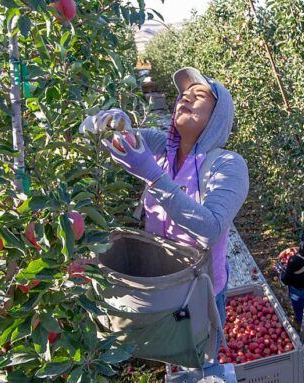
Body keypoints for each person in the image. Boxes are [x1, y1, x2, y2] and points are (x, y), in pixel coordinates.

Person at [80, 67, 249, 374]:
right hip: (159, 284)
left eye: (199, 95)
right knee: (168, 357)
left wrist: (154, 177)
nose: (185, 98)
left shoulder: (228, 164)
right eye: (183, 94)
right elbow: (103, 136)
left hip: (197, 291)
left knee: (198, 365)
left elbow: (211, 228)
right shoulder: (161, 147)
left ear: (217, 117)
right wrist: (108, 122)